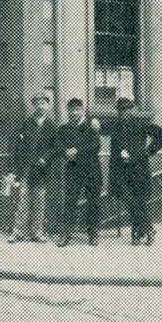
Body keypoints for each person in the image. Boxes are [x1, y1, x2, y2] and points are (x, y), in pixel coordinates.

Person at [108, 97, 162, 245]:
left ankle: (138, 232)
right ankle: (147, 228)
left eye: (127, 110)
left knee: (138, 200)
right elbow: (99, 127)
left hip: (139, 169)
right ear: (118, 112)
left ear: (132, 110)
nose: (124, 114)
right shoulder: (115, 126)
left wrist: (148, 151)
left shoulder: (140, 123)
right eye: (121, 111)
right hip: (121, 171)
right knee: (130, 200)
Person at [52, 97, 103, 246]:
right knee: (70, 202)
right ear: (68, 111)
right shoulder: (63, 129)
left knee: (93, 202)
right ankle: (66, 234)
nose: (74, 113)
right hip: (72, 169)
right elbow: (56, 146)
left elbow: (96, 146)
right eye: (72, 110)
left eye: (77, 109)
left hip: (92, 169)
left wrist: (77, 150)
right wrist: (65, 151)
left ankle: (93, 233)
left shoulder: (91, 127)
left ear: (82, 110)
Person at [7, 94, 56, 243]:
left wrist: (45, 159)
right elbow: (17, 146)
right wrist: (16, 168)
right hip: (26, 168)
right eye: (37, 103)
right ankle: (18, 232)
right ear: (33, 106)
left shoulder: (51, 126)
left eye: (43, 103)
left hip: (42, 169)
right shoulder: (26, 124)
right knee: (23, 200)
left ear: (48, 106)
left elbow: (55, 147)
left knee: (40, 200)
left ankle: (37, 233)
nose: (40, 106)